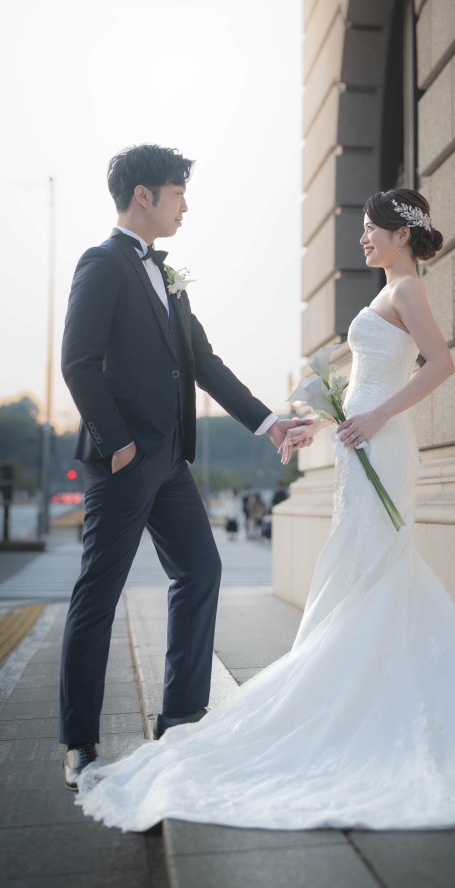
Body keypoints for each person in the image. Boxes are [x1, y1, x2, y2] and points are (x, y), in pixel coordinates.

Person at [74, 188, 455, 830]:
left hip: (385, 445)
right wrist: (316, 420)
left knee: (366, 571)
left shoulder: (406, 291)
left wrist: (374, 415)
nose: (363, 238)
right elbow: (358, 380)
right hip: (352, 446)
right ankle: (353, 699)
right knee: (356, 574)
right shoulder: (382, 293)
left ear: (403, 235)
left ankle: (331, 709)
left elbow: (441, 364)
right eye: (363, 229)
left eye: (372, 229)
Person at [59, 144, 288, 791]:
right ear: (143, 196)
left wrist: (270, 424)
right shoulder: (101, 264)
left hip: (171, 461)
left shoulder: (170, 274)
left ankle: (182, 717)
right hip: (125, 459)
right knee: (96, 597)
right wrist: (120, 443)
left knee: (201, 568)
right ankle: (78, 743)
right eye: (177, 191)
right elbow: (77, 361)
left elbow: (204, 363)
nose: (185, 203)